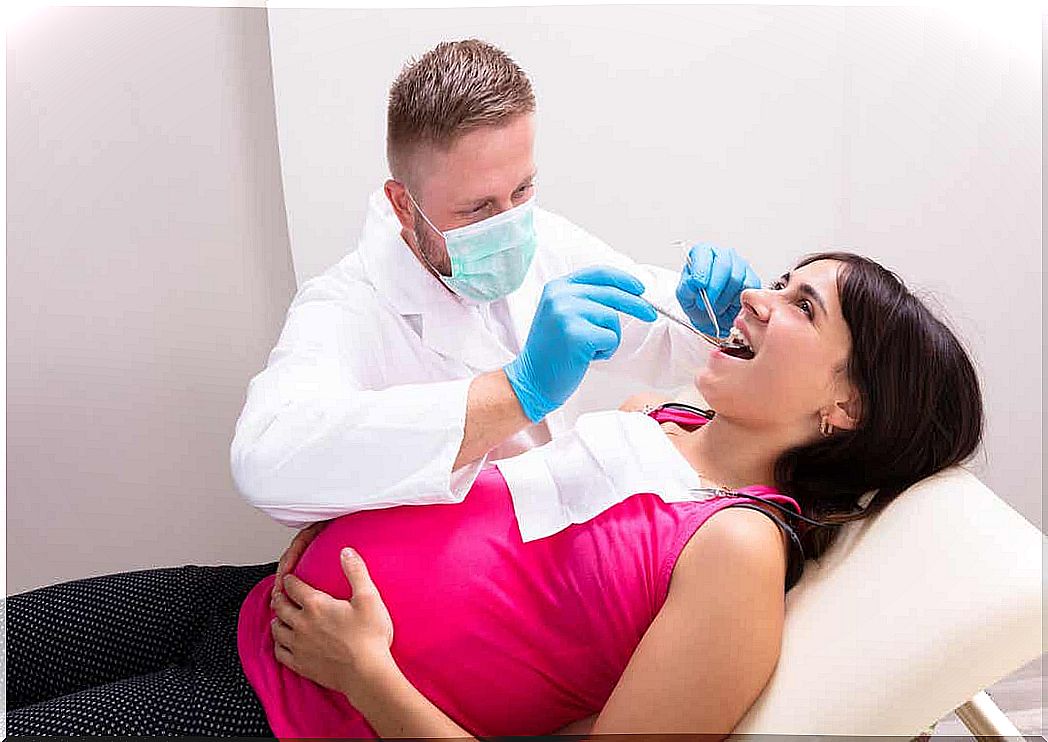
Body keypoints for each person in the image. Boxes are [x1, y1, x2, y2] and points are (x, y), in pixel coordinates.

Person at [6, 252, 983, 737]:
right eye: (775, 279)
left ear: (846, 406)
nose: (759, 298)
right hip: (235, 604)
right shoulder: (657, 418)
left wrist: (367, 678)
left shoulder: (736, 549)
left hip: (275, 713)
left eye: (802, 306)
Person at [229, 38, 760, 536]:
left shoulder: (544, 238)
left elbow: (665, 336)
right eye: (477, 208)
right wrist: (515, 392)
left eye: (522, 188)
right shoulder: (347, 306)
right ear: (401, 204)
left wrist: (715, 318)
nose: (509, 225)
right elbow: (266, 461)